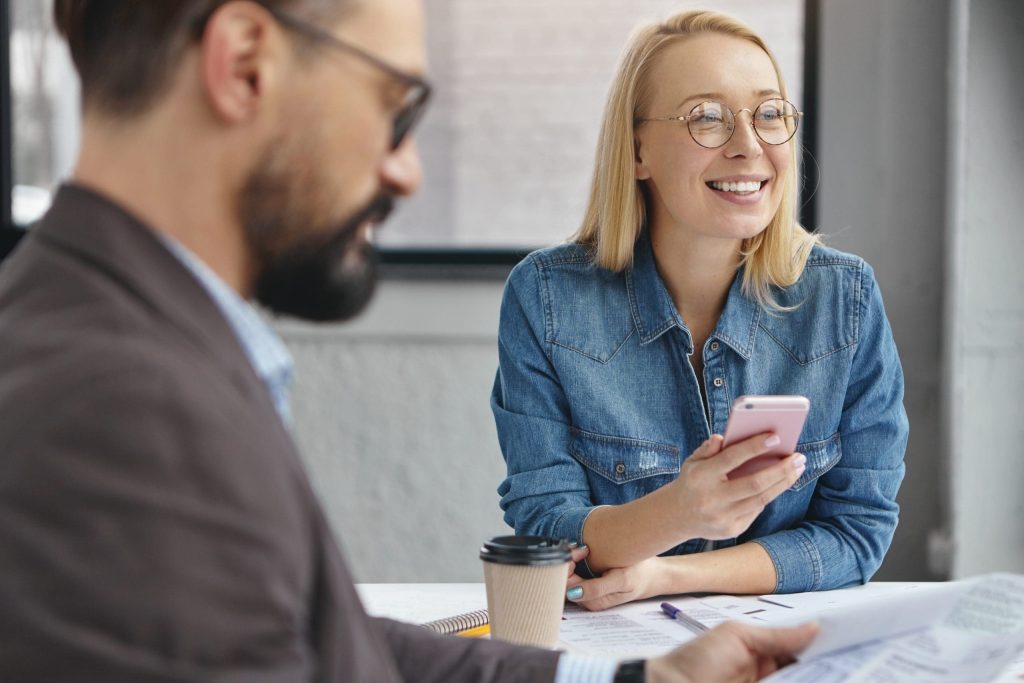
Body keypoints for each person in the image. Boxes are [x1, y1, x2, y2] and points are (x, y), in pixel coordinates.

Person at [0, 1, 818, 681]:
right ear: (246, 64)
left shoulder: (133, 336)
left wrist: (642, 678)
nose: (407, 171)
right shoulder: (117, 404)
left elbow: (326, 645)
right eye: (397, 105)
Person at [491, 9, 909, 611]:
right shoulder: (546, 299)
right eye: (707, 118)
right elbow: (545, 528)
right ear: (638, 152)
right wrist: (679, 511)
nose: (748, 147)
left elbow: (857, 533)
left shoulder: (846, 301)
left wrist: (667, 574)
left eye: (768, 115)